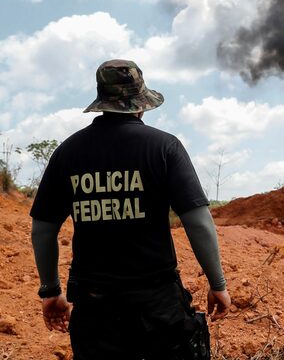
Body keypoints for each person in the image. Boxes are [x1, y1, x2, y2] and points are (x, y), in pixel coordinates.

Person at [30, 59, 231, 359]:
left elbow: (43, 229)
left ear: (102, 101)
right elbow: (198, 222)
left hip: (94, 305)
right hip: (157, 304)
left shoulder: (68, 152)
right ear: (141, 104)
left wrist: (50, 291)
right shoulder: (165, 147)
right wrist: (218, 284)